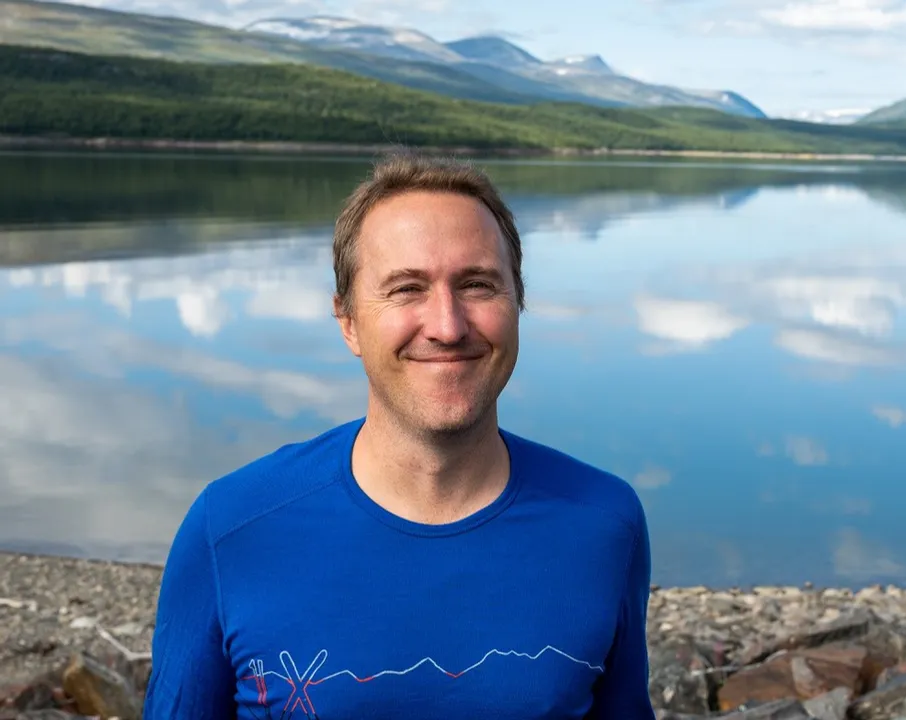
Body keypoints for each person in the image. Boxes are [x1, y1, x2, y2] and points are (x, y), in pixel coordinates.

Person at [143, 152, 655, 719]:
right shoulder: (231, 527)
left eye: (479, 285)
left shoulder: (606, 523)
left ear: (518, 302)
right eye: (407, 288)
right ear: (348, 322)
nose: (447, 325)